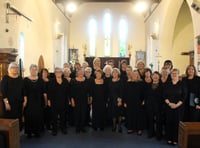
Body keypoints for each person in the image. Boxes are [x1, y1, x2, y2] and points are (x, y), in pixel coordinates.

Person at [163, 68, 187, 145]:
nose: (174, 75)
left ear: (178, 75)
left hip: (179, 108)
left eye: (175, 73)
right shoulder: (167, 83)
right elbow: (164, 95)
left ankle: (175, 139)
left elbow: (184, 96)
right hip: (168, 106)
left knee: (176, 123)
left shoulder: (182, 84)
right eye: (172, 73)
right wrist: (169, 103)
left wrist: (176, 105)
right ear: (171, 75)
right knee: (169, 122)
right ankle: (169, 138)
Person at [0, 62, 25, 130]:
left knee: (18, 120)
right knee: (10, 121)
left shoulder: (20, 79)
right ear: (9, 69)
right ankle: (10, 138)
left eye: (16, 68)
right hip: (9, 103)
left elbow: (23, 90)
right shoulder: (5, 78)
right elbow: (3, 92)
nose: (15, 69)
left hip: (18, 103)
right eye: (13, 68)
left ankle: (17, 137)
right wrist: (6, 103)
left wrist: (24, 101)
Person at [24, 64, 46, 138]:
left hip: (39, 101)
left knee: (38, 116)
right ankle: (29, 132)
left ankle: (37, 132)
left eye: (35, 69)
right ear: (30, 70)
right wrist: (25, 100)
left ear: (37, 71)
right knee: (29, 116)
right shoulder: (26, 80)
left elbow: (44, 91)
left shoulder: (40, 80)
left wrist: (45, 101)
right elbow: (24, 92)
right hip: (29, 101)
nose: (34, 71)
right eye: (32, 69)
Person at [47, 67, 69, 136]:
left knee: (63, 116)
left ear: (62, 73)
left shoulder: (65, 81)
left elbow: (67, 92)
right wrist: (49, 100)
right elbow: (49, 92)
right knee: (54, 117)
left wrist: (68, 100)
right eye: (57, 72)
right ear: (55, 73)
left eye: (60, 72)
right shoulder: (51, 81)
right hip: (54, 102)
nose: (58, 73)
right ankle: (54, 130)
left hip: (64, 101)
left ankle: (63, 128)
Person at [124, 69, 144, 135]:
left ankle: (139, 129)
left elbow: (144, 93)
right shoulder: (127, 83)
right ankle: (130, 128)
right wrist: (125, 102)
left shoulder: (141, 83)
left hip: (138, 101)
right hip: (129, 101)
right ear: (131, 75)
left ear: (138, 75)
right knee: (130, 114)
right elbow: (125, 93)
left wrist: (143, 100)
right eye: (133, 74)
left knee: (139, 115)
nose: (134, 75)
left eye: (136, 74)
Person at [144, 71, 163, 140]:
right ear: (151, 77)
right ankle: (151, 133)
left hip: (159, 105)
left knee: (158, 120)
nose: (155, 77)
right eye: (154, 75)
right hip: (149, 105)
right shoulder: (148, 85)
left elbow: (163, 96)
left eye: (157, 75)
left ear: (159, 77)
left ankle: (159, 134)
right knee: (150, 119)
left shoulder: (162, 85)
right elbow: (145, 95)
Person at [71, 68, 90, 133]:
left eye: (82, 72)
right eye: (79, 72)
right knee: (77, 114)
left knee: (83, 113)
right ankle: (77, 127)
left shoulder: (86, 80)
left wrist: (89, 99)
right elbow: (71, 92)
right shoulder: (73, 80)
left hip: (84, 100)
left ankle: (82, 127)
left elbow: (88, 91)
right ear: (77, 73)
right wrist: (72, 100)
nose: (81, 73)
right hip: (76, 100)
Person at [108, 68, 123, 133]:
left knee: (119, 113)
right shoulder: (110, 81)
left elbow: (122, 91)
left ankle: (119, 126)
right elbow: (109, 91)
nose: (114, 73)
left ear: (118, 73)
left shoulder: (121, 81)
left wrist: (120, 99)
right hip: (111, 99)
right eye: (113, 72)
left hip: (118, 99)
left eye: (116, 72)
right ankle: (114, 126)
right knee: (113, 113)